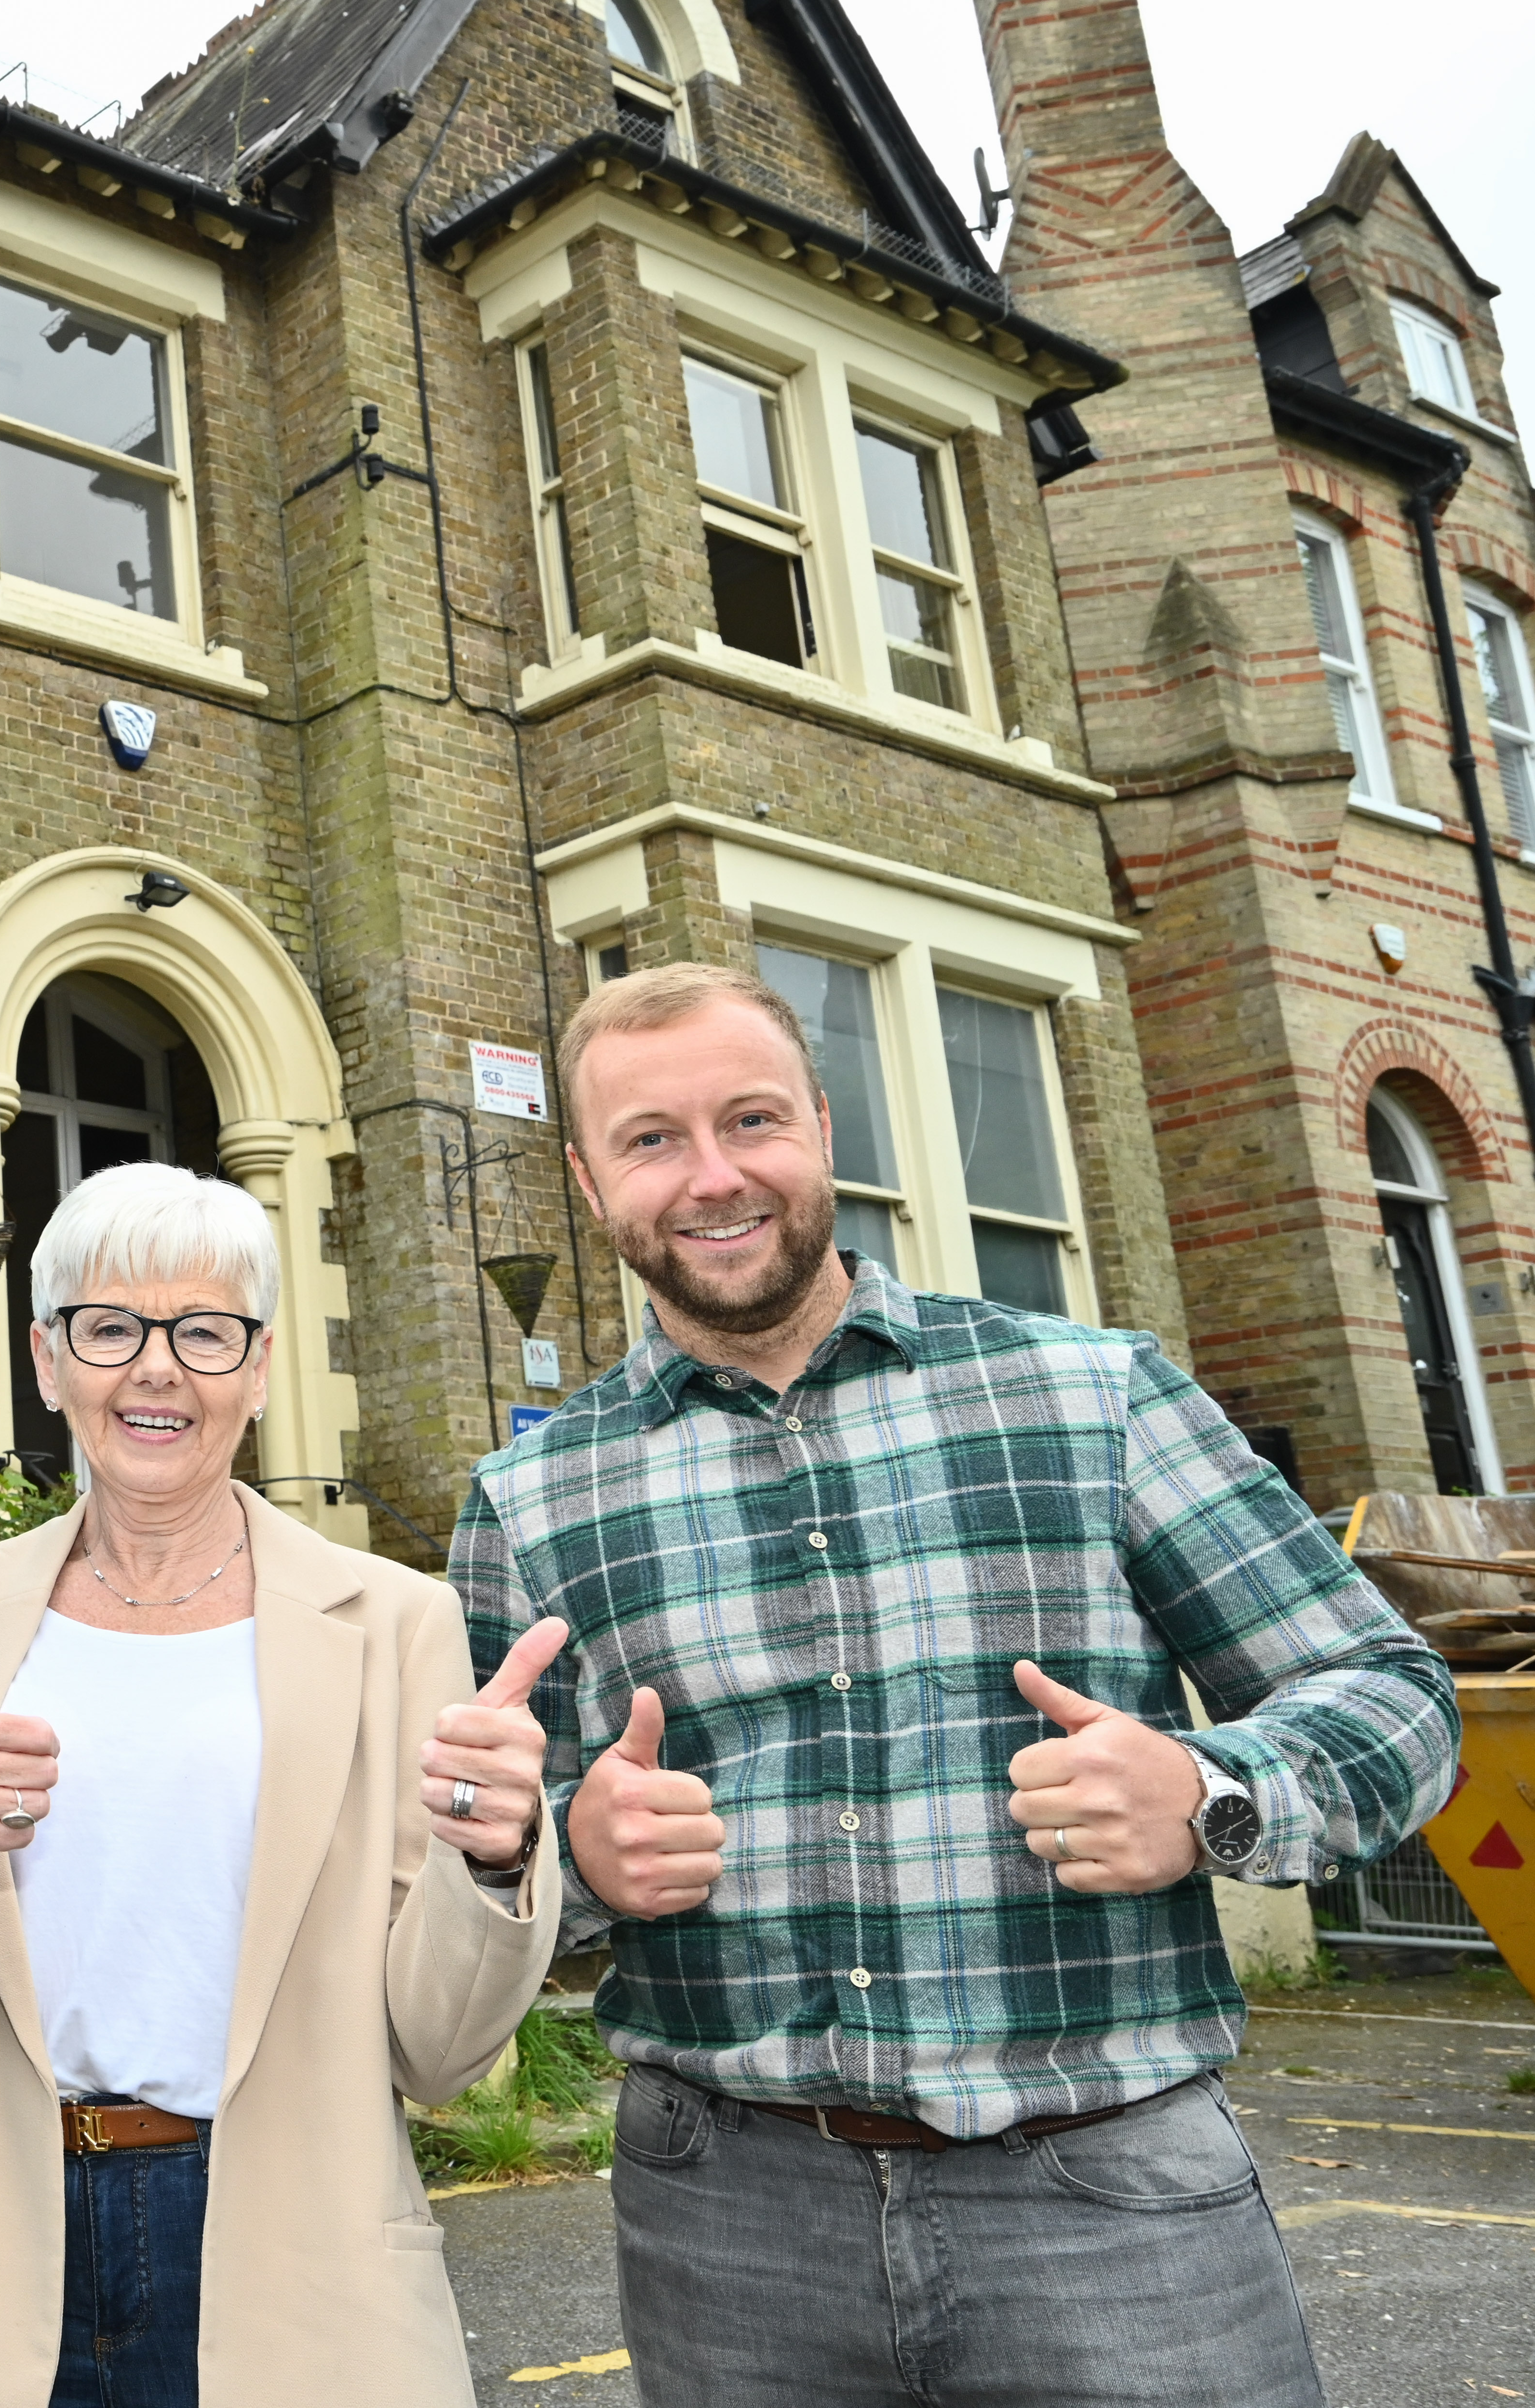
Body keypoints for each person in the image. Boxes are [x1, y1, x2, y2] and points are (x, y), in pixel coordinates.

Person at [453, 961, 1460, 2408]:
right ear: (588, 1178)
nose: (713, 1175)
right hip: (727, 2217)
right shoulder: (530, 1497)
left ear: (825, 1128)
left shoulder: (1096, 1392)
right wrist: (568, 1855)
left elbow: (1394, 1690)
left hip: (1107, 2191)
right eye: (652, 1139)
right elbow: (481, 1858)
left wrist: (1204, 1791)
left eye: (753, 1120)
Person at [0, 1160, 566, 2408]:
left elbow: (440, 2051)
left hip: (295, 2257)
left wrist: (494, 1853)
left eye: (205, 1331)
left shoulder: (393, 1621)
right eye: (111, 1327)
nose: (157, 1368)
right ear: (49, 1360)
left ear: (259, 1369)